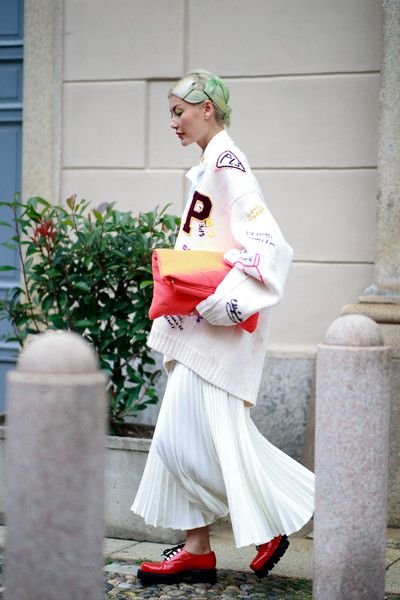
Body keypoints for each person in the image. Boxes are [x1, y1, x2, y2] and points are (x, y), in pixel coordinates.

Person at [131, 70, 314, 586]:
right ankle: (197, 549)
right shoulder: (210, 165)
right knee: (186, 438)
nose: (173, 122)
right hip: (201, 330)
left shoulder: (229, 165)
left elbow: (270, 248)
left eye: (179, 111)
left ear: (207, 108)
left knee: (184, 441)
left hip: (215, 331)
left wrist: (222, 303)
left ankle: (266, 524)